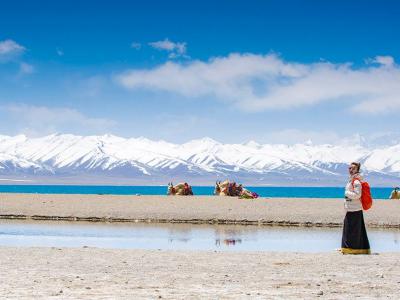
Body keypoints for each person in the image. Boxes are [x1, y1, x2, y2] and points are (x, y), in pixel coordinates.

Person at [341, 162, 370, 255]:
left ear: (357, 170)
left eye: (353, 168)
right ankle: (349, 248)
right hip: (351, 208)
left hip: (355, 209)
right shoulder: (351, 180)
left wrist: (346, 193)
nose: (351, 170)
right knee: (351, 229)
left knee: (352, 230)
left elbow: (358, 195)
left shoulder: (356, 181)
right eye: (350, 168)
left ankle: (351, 249)